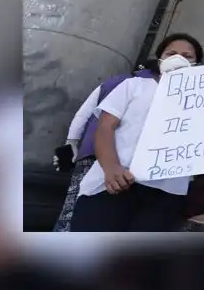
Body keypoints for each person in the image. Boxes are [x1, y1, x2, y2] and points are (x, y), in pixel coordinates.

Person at [69, 33, 204, 232]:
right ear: (159, 60)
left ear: (197, 64)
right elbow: (105, 126)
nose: (179, 59)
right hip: (115, 182)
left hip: (167, 192)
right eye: (171, 53)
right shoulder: (133, 86)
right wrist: (111, 168)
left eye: (187, 56)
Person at [51, 61, 157, 232]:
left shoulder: (113, 82)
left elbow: (82, 114)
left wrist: (71, 143)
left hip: (91, 152)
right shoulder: (140, 86)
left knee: (74, 206)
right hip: (116, 156)